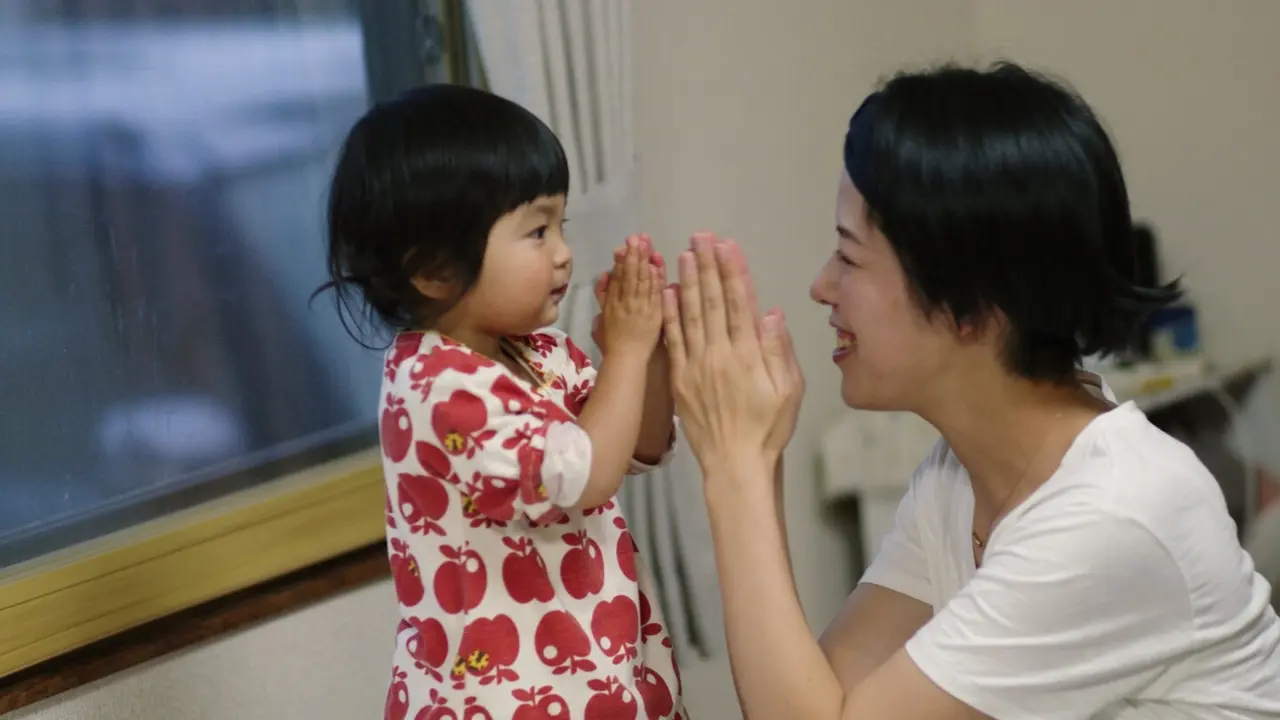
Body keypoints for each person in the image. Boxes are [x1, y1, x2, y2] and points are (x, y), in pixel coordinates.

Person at [660, 63, 1280, 719]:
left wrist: (737, 467)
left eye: (849, 256)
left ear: (971, 307)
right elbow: (827, 695)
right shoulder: (956, 479)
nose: (822, 286)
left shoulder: (1113, 513)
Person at [320, 84, 686, 720]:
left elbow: (638, 448)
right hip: (498, 697)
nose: (564, 253)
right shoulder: (437, 386)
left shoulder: (537, 351)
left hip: (594, 672)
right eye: (538, 231)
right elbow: (584, 479)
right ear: (434, 268)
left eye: (561, 226)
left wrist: (647, 357)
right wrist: (623, 356)